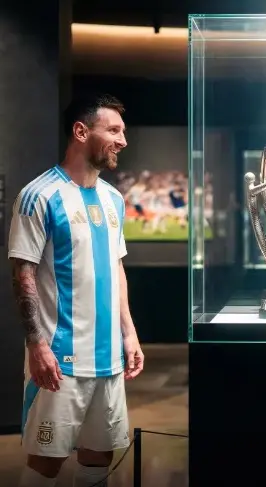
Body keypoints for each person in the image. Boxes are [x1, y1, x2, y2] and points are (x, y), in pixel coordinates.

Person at [8, 93, 145, 487]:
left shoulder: (113, 199)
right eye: (113, 130)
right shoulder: (39, 195)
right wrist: (36, 345)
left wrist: (129, 333)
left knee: (99, 457)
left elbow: (115, 267)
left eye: (123, 132)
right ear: (81, 131)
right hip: (60, 360)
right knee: (46, 463)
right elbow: (23, 273)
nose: (123, 141)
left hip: (109, 360)